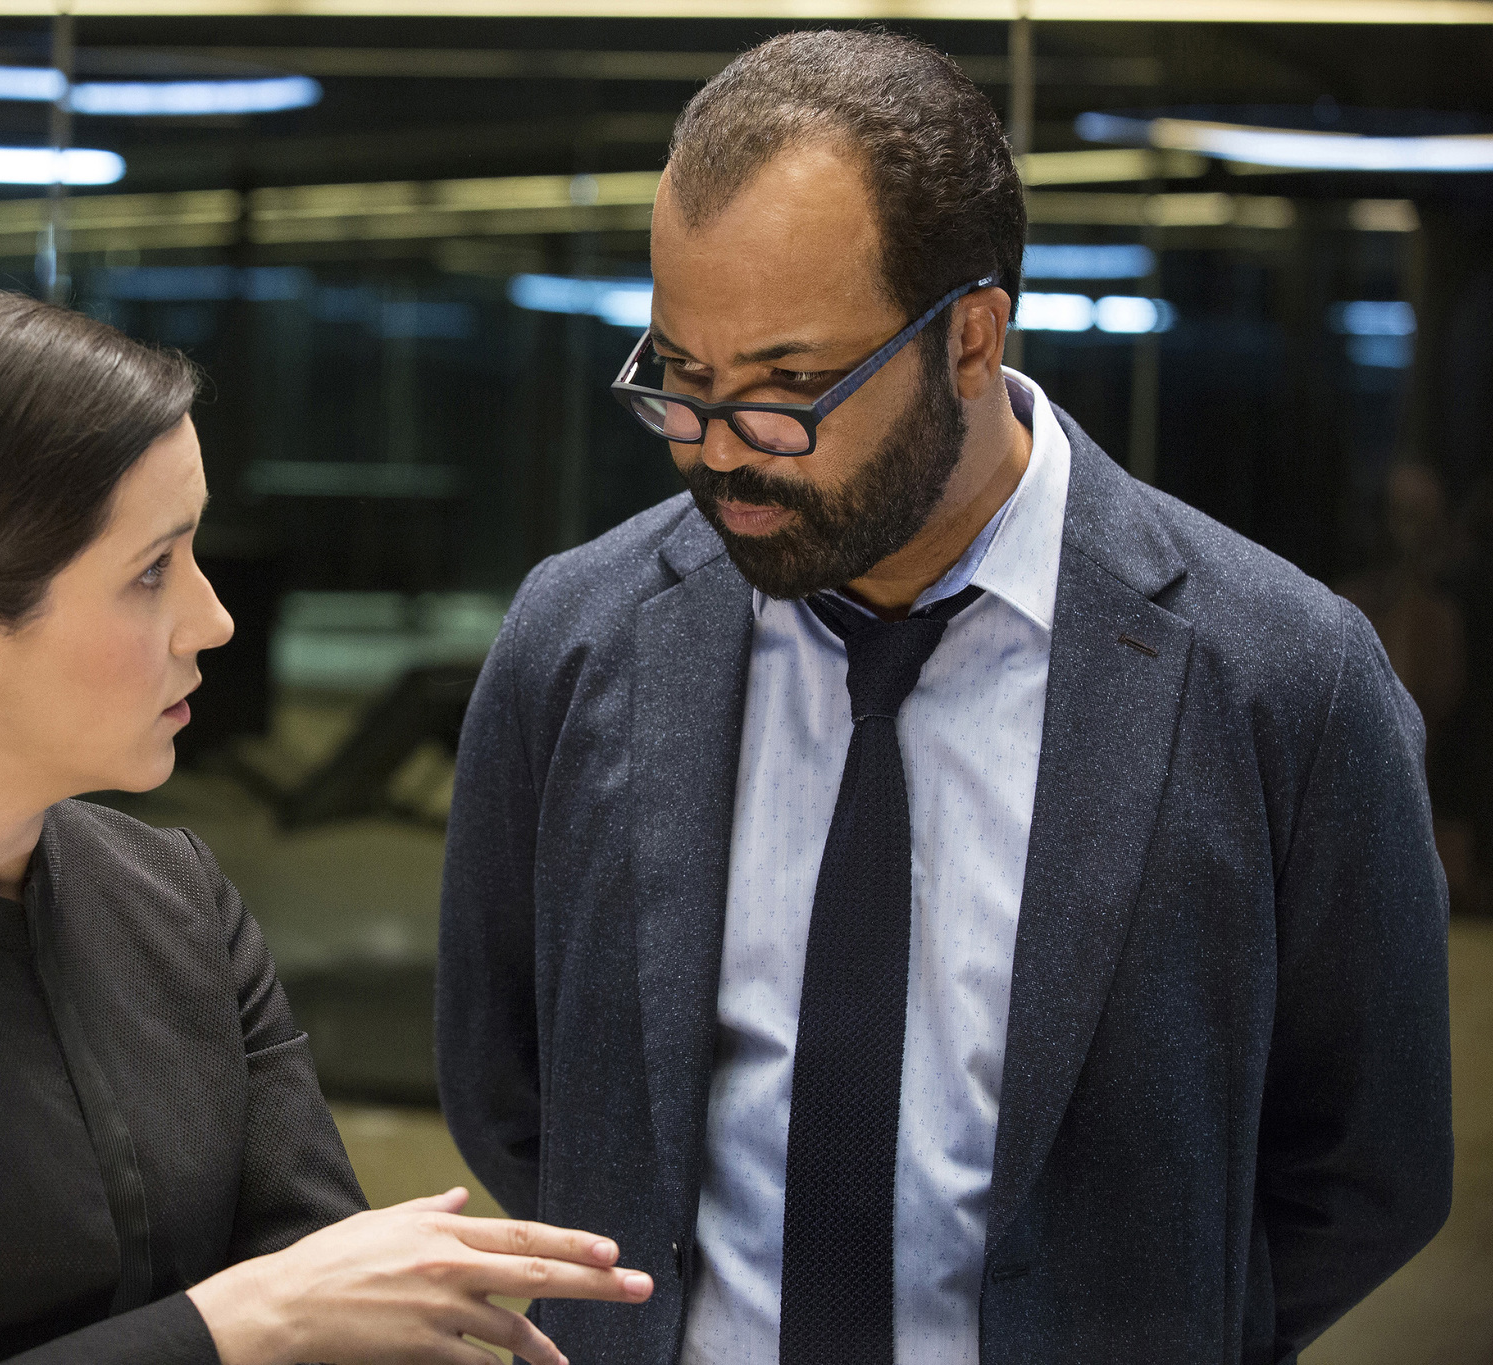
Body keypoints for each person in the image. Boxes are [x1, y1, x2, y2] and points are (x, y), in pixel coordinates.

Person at [436, 29, 1451, 1365]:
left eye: (791, 389)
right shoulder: (579, 641)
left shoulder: (1282, 679)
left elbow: (1367, 1166)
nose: (722, 452)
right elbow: (514, 1090)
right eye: (682, 379)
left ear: (971, 336)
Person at [0, 289, 652, 1365]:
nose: (214, 619)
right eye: (152, 571)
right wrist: (241, 1324)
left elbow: (332, 1300)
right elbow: (296, 1302)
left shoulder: (173, 894)